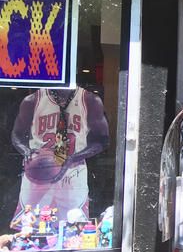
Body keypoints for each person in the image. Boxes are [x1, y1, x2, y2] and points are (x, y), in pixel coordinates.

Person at [11, 87, 109, 223]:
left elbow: (102, 140)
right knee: (30, 225)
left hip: (73, 172)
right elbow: (17, 134)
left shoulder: (89, 100)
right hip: (39, 171)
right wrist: (25, 151)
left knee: (74, 228)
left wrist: (74, 157)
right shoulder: (32, 100)